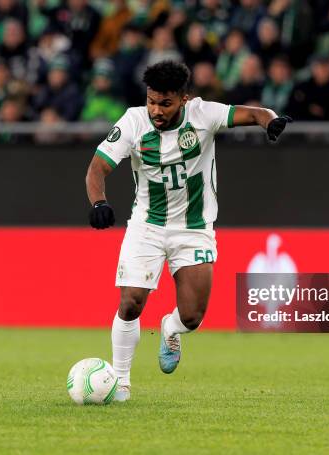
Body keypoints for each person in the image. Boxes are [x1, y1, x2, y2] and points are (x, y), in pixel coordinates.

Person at [84, 60, 292, 402]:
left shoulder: (204, 114)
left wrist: (271, 122)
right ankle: (120, 382)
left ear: (184, 99)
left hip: (194, 229)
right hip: (146, 227)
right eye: (152, 101)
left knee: (192, 316)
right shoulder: (134, 121)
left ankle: (170, 328)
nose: (156, 110)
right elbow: (96, 169)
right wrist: (98, 203)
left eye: (165, 103)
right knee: (131, 302)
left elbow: (257, 112)